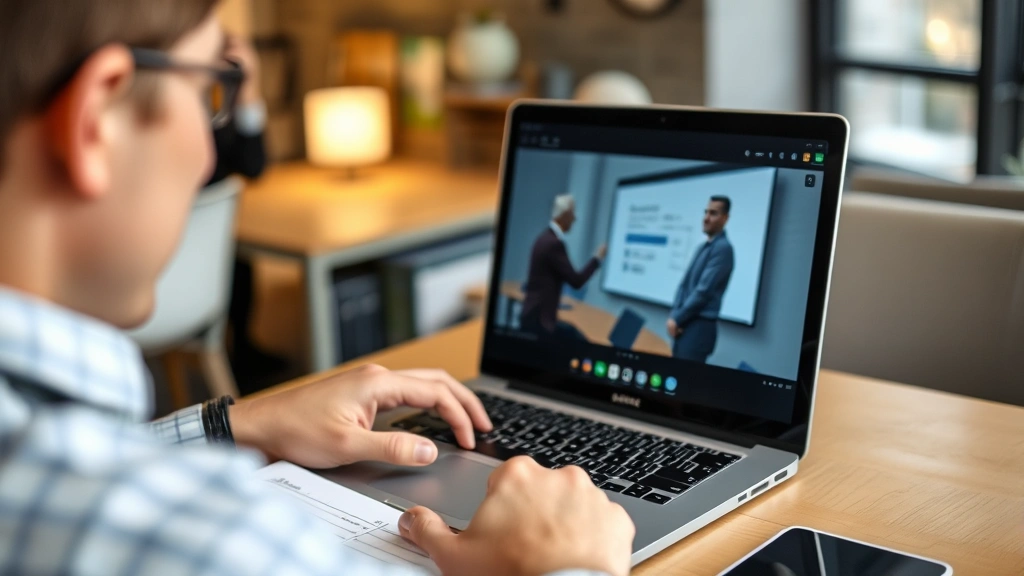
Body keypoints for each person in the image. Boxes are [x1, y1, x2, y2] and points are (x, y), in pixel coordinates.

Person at [0, 2, 634, 575]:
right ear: (97, 120)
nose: (206, 151)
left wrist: (233, 424)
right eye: (208, 91)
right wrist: (568, 565)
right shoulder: (207, 543)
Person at [520, 195, 607, 339]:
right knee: (579, 340)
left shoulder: (543, 238)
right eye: (573, 213)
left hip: (532, 316)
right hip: (540, 323)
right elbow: (576, 281)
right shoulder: (554, 244)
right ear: (565, 215)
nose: (575, 218)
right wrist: (597, 259)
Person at [667, 196, 735, 363]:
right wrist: (674, 315)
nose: (706, 218)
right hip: (685, 325)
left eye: (713, 213)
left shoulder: (723, 249)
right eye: (706, 212)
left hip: (698, 329)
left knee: (684, 384)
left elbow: (703, 291)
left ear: (725, 218)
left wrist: (677, 318)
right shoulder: (702, 247)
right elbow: (684, 285)